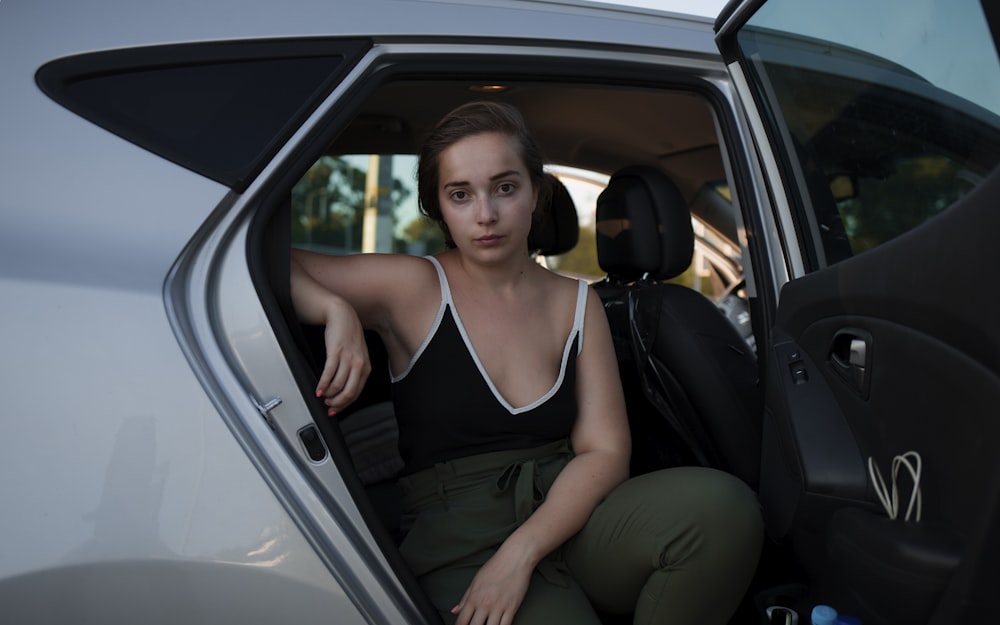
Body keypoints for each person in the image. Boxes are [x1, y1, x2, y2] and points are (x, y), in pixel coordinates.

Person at [291, 101, 763, 625]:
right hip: (460, 541)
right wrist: (334, 309)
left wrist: (521, 552)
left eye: (505, 187)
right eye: (460, 194)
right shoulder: (412, 286)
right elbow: (258, 257)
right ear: (439, 208)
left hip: (572, 516)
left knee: (723, 509)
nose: (485, 214)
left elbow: (605, 452)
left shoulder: (578, 302)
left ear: (536, 193)